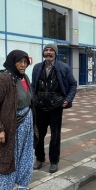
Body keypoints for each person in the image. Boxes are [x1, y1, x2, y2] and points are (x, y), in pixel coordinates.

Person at [0, 50, 39, 190]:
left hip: (27, 122)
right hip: (11, 126)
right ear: (12, 62)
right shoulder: (3, 79)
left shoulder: (24, 77)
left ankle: (21, 188)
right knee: (9, 158)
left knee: (26, 156)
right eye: (19, 62)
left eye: (25, 62)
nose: (23, 65)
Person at [32, 44, 78, 173]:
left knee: (55, 136)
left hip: (56, 108)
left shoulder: (64, 67)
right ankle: (39, 158)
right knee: (38, 135)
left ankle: (54, 161)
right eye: (46, 50)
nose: (48, 52)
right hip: (40, 107)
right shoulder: (37, 67)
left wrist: (67, 99)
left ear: (56, 53)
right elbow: (33, 85)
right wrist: (34, 98)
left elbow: (73, 84)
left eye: (51, 50)